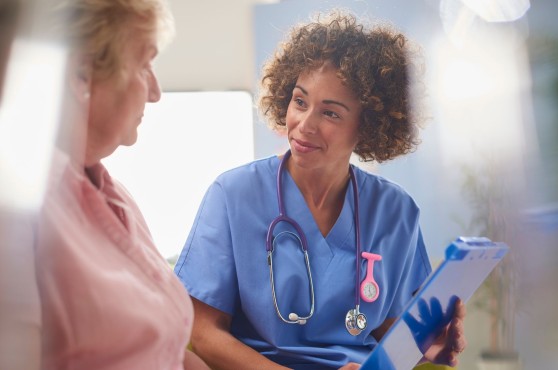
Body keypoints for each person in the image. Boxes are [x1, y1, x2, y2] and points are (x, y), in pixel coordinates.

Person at [174, 11, 466, 370]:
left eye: (330, 114)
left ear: (368, 126)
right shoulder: (233, 194)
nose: (304, 125)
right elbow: (204, 333)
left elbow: (390, 328)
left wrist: (426, 346)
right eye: (300, 101)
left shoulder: (395, 211)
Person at [25, 0, 210, 369]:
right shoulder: (23, 211)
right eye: (144, 65)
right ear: (81, 76)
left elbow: (168, 352)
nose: (155, 92)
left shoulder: (113, 194)